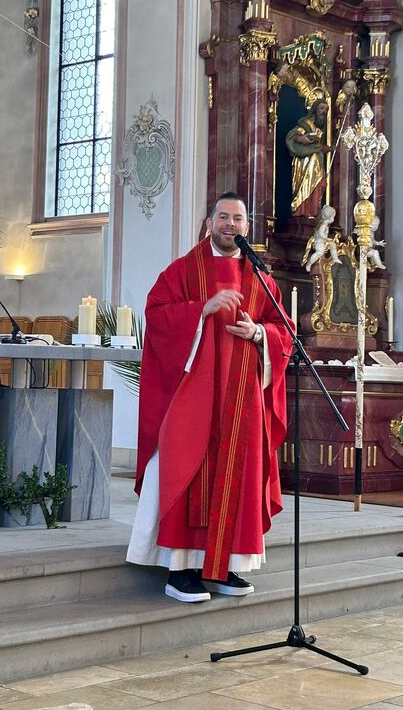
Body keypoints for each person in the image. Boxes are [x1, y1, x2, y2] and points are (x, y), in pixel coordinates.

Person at [126, 194, 293, 602]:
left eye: (238, 219)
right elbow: (157, 315)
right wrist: (201, 309)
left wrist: (259, 333)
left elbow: (284, 331)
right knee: (186, 468)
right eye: (223, 217)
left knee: (238, 476)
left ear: (247, 227)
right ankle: (180, 569)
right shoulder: (183, 271)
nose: (230, 224)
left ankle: (225, 565)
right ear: (209, 222)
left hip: (241, 401)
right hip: (192, 397)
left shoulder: (262, 279)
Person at [285, 97, 331, 217]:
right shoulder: (306, 124)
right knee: (305, 186)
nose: (324, 112)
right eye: (321, 108)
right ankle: (301, 210)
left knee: (319, 183)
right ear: (314, 110)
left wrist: (323, 148)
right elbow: (291, 137)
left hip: (316, 163)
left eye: (326, 109)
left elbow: (317, 147)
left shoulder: (319, 129)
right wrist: (301, 138)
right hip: (305, 162)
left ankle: (312, 212)